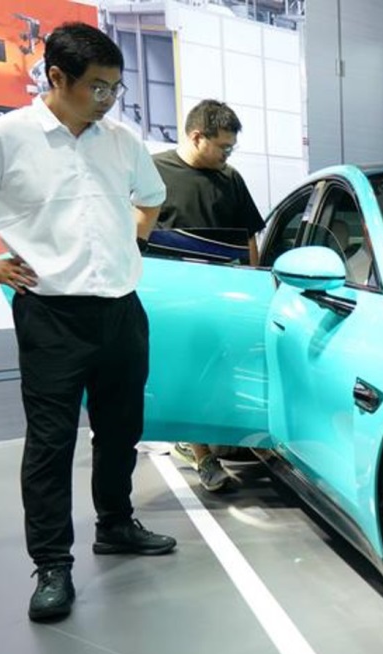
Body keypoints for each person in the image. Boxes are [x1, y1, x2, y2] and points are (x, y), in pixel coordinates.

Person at [0, 22, 174, 623]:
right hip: (52, 314)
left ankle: (114, 524)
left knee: (121, 432)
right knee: (51, 443)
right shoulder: (2, 137)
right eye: (97, 87)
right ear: (56, 78)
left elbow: (152, 195)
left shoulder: (121, 140)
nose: (108, 98)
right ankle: (53, 564)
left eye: (115, 87)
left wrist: (133, 234)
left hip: (121, 309)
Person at [154, 99, 266, 492]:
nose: (227, 154)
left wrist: (254, 283)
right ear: (197, 136)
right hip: (177, 303)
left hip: (226, 299)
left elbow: (249, 234)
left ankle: (199, 441)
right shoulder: (155, 172)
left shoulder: (230, 179)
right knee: (186, 373)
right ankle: (203, 457)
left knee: (220, 372)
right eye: (223, 147)